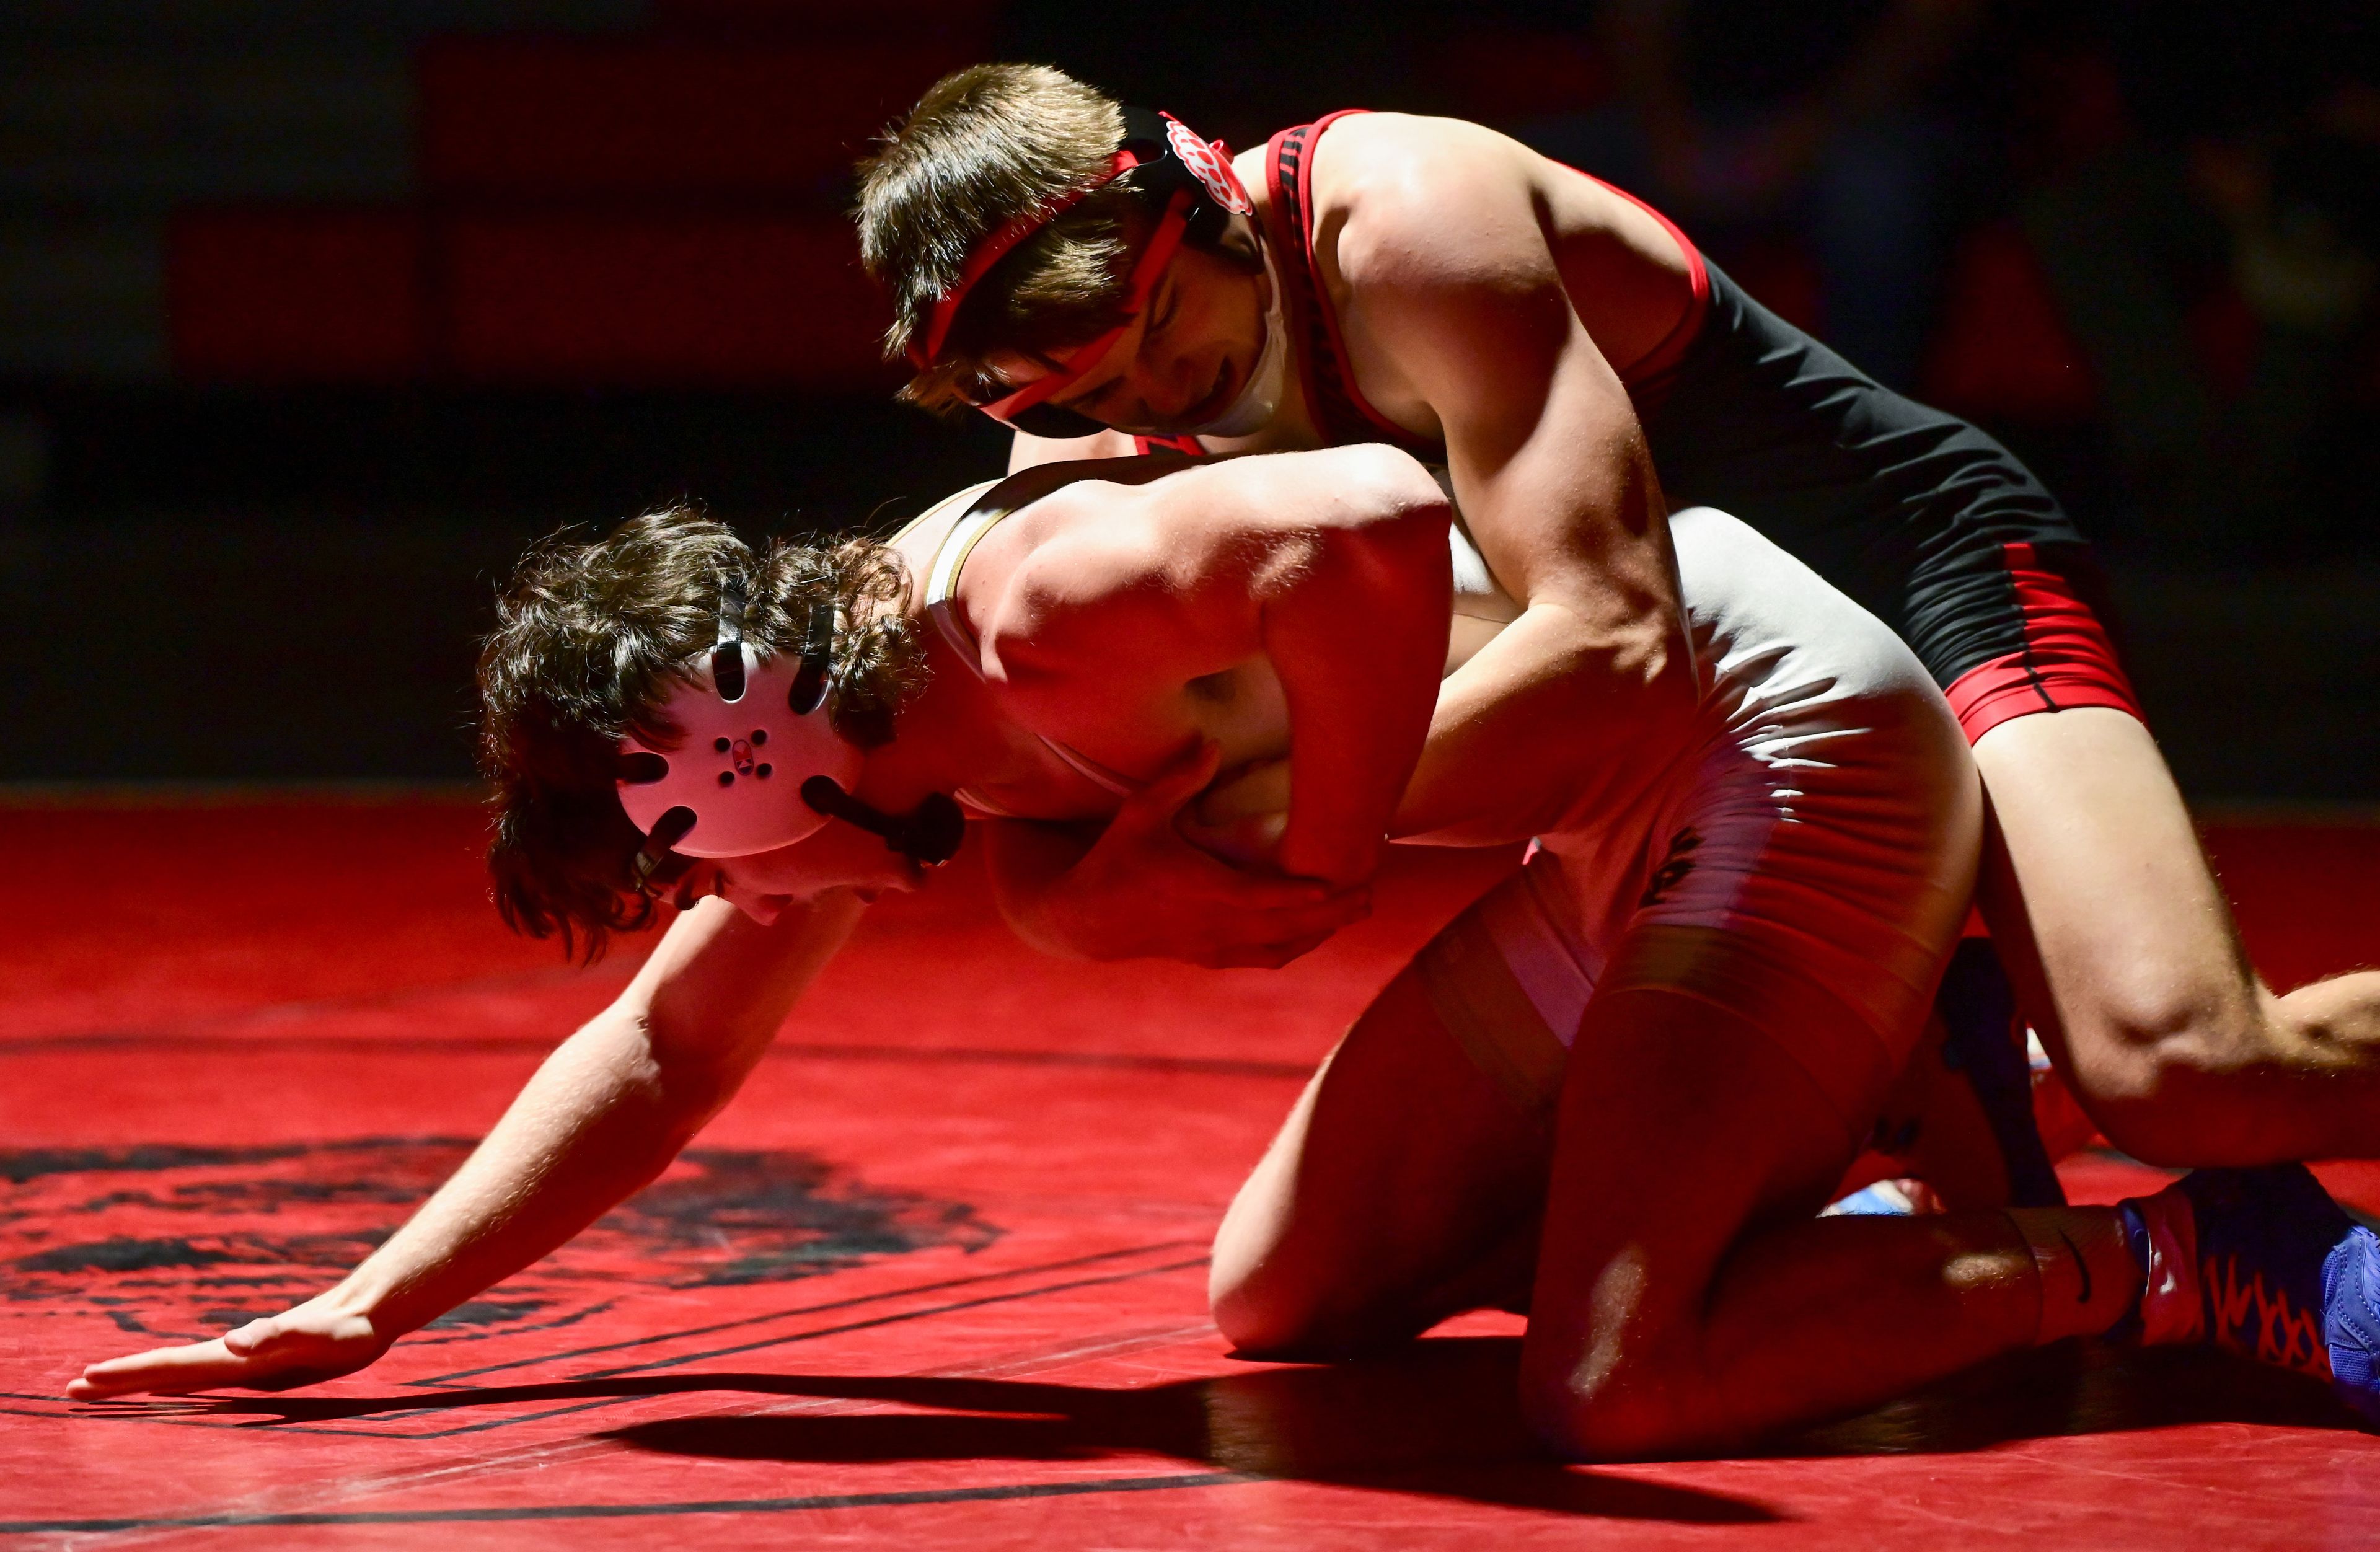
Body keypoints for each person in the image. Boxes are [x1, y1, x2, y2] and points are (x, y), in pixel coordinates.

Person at [68, 448, 2378, 1453]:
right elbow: (669, 1050)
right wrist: (384, 1299)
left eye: (710, 868)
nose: (731, 914)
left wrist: (1323, 856)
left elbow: (1372, 516)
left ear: (751, 765)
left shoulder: (1024, 613)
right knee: (1287, 1300)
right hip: (1608, 825)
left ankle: (2173, 1255)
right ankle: (1854, 1097)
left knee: (1613, 1388)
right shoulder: (869, 719)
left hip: (1770, 737)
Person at [855, 65, 2380, 1170]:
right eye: (1078, 398)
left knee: (2183, 1071)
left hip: (1903, 570)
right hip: (1695, 703)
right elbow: (1051, 790)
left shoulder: (1405, 224)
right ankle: (1945, 1069)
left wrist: (1292, 839)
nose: (1140, 406)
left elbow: (1609, 641)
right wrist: (1061, 898)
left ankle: (1973, 1067)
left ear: (1194, 189)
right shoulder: (1084, 420)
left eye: (1147, 337)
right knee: (1448, 1234)